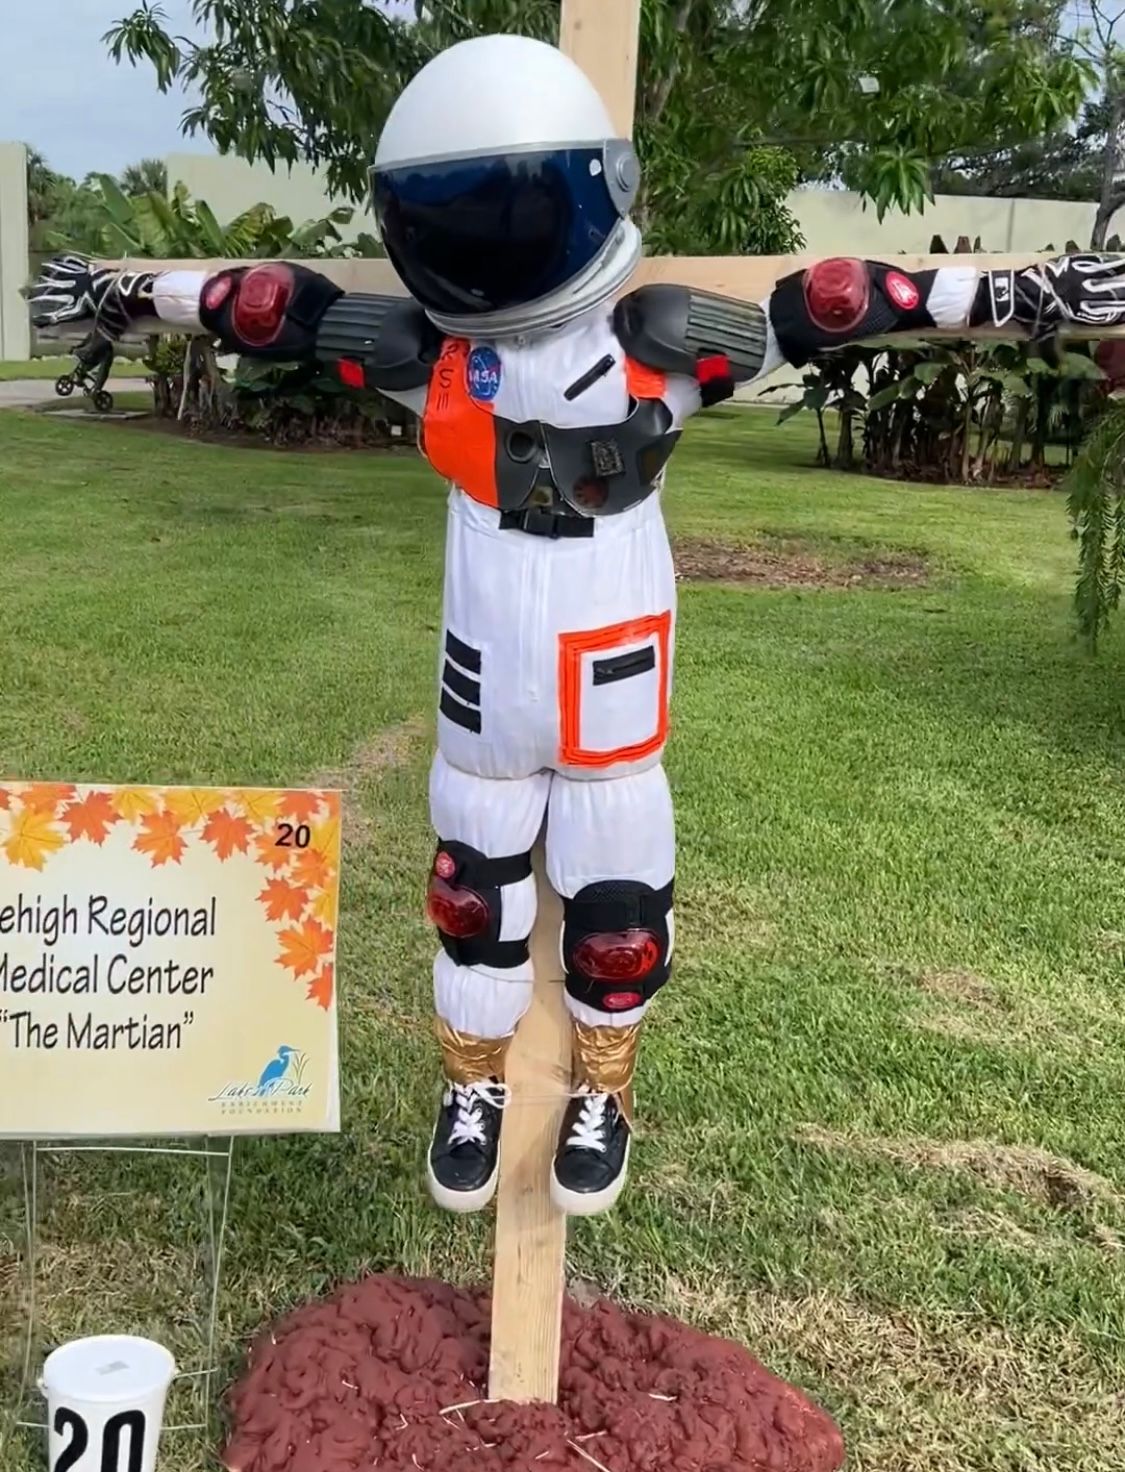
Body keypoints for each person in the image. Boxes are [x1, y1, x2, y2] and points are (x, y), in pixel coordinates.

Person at [29, 33, 1125, 1218]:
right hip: (488, 695)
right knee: (471, 901)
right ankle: (472, 1087)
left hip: (608, 693)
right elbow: (273, 309)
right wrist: (120, 293)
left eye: (511, 211)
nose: (493, 244)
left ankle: (603, 1093)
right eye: (461, 219)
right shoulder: (434, 361)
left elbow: (842, 305)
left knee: (616, 913)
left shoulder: (657, 349)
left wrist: (1019, 295)